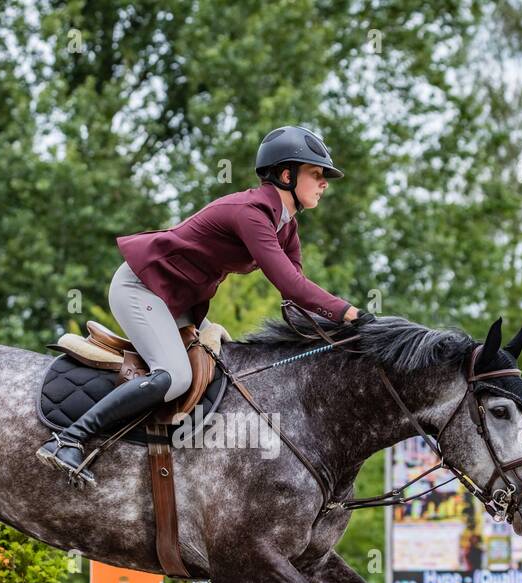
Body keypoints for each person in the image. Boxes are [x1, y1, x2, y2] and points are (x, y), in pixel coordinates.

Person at [38, 125, 369, 485]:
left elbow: (294, 297)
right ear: (287, 175)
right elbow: (292, 284)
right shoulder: (251, 213)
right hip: (142, 285)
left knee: (220, 367)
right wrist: (352, 314)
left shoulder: (285, 227)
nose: (324, 184)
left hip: (177, 298)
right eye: (317, 174)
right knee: (174, 376)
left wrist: (337, 338)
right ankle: (69, 438)